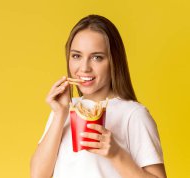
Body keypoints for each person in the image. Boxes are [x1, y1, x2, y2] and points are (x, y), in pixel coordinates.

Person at [30, 14, 166, 178]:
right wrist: (60, 114)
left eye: (96, 57)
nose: (84, 67)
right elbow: (38, 175)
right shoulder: (63, 110)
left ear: (114, 61)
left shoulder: (134, 115)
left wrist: (116, 154)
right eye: (76, 56)